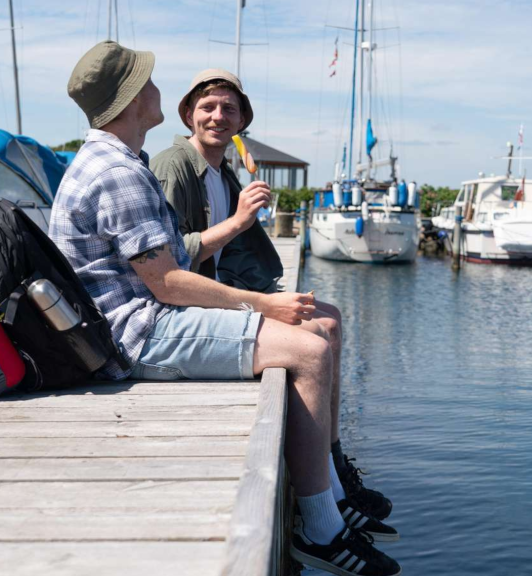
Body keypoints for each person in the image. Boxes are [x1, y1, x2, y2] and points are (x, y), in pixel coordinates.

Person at [52, 42, 400, 576]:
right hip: (137, 333)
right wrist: (264, 304)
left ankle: (330, 495)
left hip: (137, 319)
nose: (157, 90)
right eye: (147, 83)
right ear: (131, 99)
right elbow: (166, 283)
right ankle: (321, 528)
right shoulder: (119, 173)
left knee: (315, 335)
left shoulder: (115, 160)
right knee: (309, 352)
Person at [150, 69, 389, 528]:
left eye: (229, 109)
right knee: (315, 338)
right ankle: (323, 504)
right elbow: (172, 261)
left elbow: (233, 252)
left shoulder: (224, 171)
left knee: (332, 318)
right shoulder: (174, 166)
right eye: (207, 107)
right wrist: (240, 221)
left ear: (242, 122)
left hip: (223, 290)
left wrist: (251, 239)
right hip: (187, 305)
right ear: (187, 114)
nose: (218, 117)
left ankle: (335, 469)